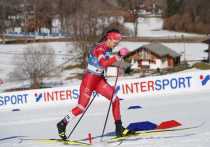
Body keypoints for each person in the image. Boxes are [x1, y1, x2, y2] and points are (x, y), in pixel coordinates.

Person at [56, 29, 135, 140]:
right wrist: (117, 56)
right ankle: (62, 123)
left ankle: (119, 128)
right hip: (89, 81)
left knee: (115, 99)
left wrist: (115, 64)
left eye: (117, 43)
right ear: (109, 38)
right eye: (115, 42)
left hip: (99, 80)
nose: (116, 45)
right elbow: (103, 64)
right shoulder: (100, 49)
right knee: (81, 108)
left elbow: (103, 66)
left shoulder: (108, 48)